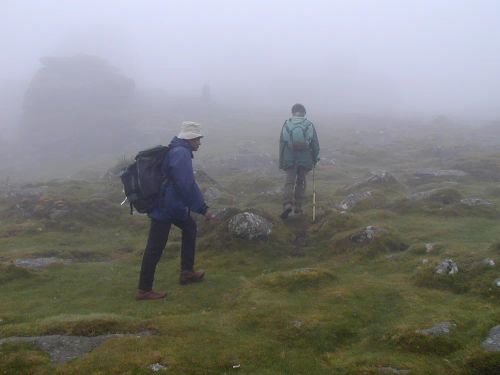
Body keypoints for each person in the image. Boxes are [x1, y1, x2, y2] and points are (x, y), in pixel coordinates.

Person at [136, 121, 213, 300]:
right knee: (155, 247)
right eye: (198, 139)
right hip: (165, 207)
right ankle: (144, 290)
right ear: (190, 139)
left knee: (190, 228)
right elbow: (186, 184)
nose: (200, 143)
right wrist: (203, 209)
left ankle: (187, 272)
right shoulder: (181, 153)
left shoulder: (178, 150)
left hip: (173, 206)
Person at [279, 103, 320, 219]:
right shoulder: (309, 124)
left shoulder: (287, 123)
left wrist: (282, 161)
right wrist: (315, 158)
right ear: (304, 113)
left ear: (293, 112)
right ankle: (298, 207)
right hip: (304, 158)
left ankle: (287, 204)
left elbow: (282, 143)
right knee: (301, 182)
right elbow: (315, 144)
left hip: (290, 158)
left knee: (289, 182)